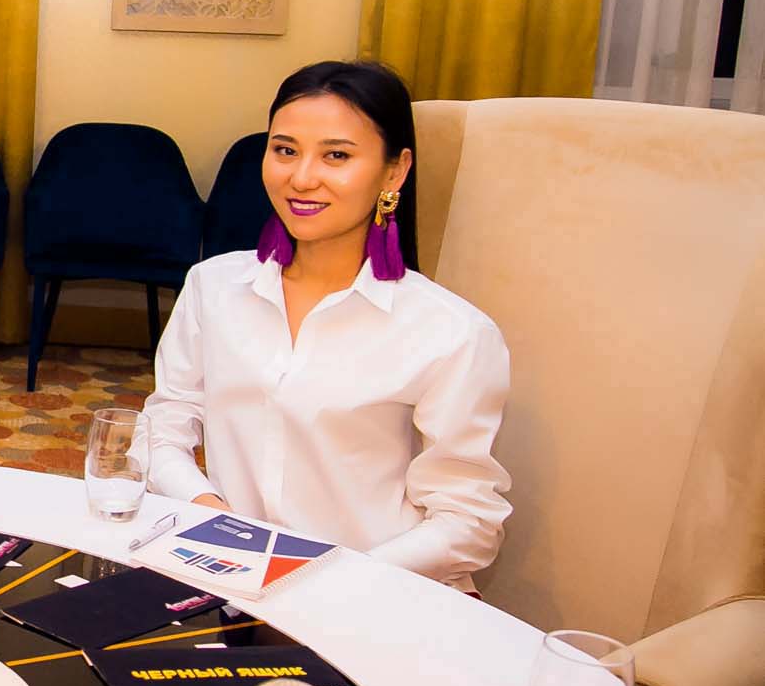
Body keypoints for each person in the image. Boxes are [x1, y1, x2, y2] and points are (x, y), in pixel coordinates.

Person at [141, 60, 511, 593]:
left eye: (336, 155)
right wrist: (209, 512)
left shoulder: (451, 332)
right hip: (235, 582)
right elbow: (163, 429)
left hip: (372, 592)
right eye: (285, 150)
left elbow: (468, 521)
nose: (301, 178)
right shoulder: (213, 287)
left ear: (395, 171)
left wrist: (333, 580)